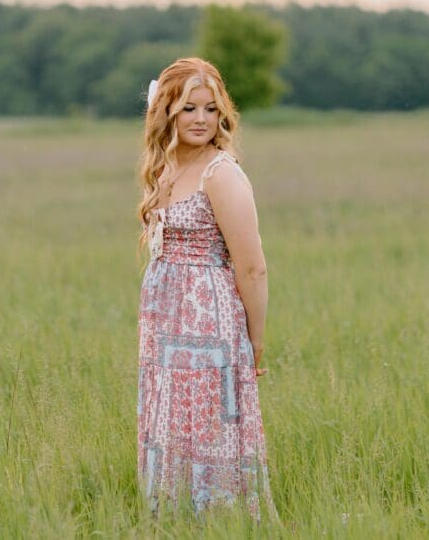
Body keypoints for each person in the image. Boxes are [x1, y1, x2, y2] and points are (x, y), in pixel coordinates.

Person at [136, 56, 276, 520]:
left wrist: (254, 340)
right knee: (171, 418)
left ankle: (220, 519)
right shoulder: (166, 168)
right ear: (167, 112)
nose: (201, 119)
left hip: (208, 320)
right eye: (189, 109)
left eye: (211, 109)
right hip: (164, 321)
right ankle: (171, 516)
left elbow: (252, 267)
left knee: (208, 421)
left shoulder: (221, 173)